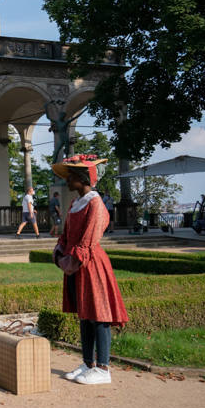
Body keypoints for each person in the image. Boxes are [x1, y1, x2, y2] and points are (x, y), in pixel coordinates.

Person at [51, 155, 128, 385]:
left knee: (99, 315)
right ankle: (88, 363)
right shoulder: (76, 203)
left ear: (83, 178)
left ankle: (103, 368)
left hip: (91, 263)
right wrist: (60, 251)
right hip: (76, 264)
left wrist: (70, 261)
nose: (67, 180)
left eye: (71, 175)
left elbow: (89, 239)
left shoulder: (96, 204)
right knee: (85, 315)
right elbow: (66, 234)